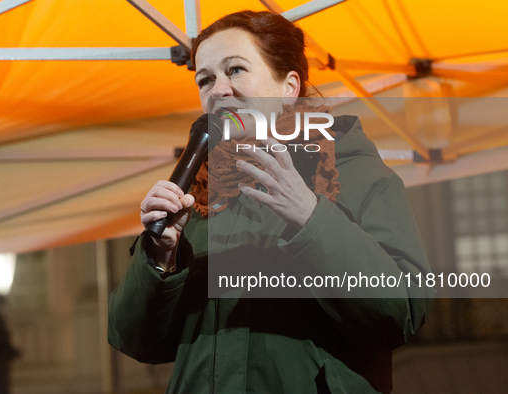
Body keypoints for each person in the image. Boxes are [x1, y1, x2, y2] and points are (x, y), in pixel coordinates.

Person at [109, 10, 432, 393]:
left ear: (289, 86)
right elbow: (134, 340)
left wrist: (310, 217)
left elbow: (400, 314)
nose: (219, 90)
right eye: (205, 79)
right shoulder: (195, 196)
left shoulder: (353, 172)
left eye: (236, 70)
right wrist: (160, 258)